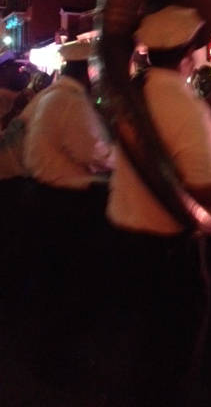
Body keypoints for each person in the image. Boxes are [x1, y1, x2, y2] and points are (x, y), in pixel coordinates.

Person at [106, 5, 211, 405]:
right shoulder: (189, 109)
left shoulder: (130, 97)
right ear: (187, 55)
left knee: (138, 354)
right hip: (169, 255)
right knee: (172, 361)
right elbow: (206, 198)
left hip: (125, 241)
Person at [21, 39, 114, 371]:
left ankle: (48, 352)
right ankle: (57, 359)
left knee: (53, 281)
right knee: (68, 284)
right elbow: (95, 154)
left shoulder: (53, 97)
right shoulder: (72, 103)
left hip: (44, 197)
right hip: (65, 205)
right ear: (88, 71)